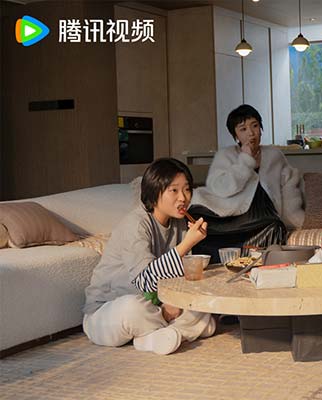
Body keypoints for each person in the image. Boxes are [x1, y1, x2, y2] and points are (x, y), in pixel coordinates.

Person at [83, 158, 216, 355]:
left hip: (155, 306)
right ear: (154, 193)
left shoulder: (178, 223)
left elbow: (181, 277)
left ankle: (150, 338)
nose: (183, 198)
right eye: (174, 190)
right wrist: (186, 244)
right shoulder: (136, 224)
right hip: (108, 312)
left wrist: (173, 301)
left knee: (203, 312)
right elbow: (145, 280)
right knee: (133, 308)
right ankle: (173, 332)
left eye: (187, 190)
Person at [190, 104, 304, 262]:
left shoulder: (274, 155)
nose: (251, 133)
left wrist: (295, 220)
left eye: (255, 126)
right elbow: (221, 189)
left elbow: (289, 188)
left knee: (275, 226)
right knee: (199, 222)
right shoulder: (226, 155)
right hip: (231, 218)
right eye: (243, 129)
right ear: (235, 135)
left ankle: (256, 264)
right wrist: (244, 160)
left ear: (261, 129)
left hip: (262, 217)